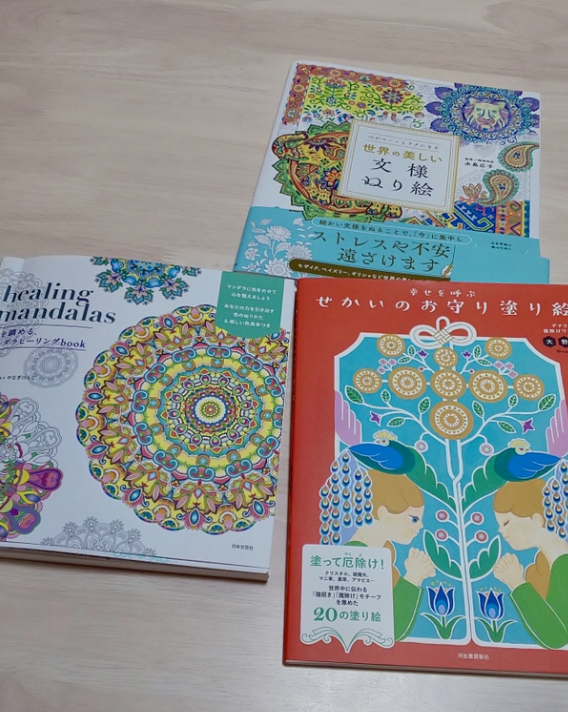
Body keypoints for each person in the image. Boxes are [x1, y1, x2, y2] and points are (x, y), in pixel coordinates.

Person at [346, 469, 435, 641]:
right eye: (414, 519)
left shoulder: (381, 555)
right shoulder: (357, 557)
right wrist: (413, 577)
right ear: (384, 514)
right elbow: (390, 631)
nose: (420, 526)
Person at [493, 478, 568, 649]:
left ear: (536, 519)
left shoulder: (563, 564)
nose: (501, 531)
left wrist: (516, 583)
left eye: (506, 523)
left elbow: (556, 638)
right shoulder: (542, 565)